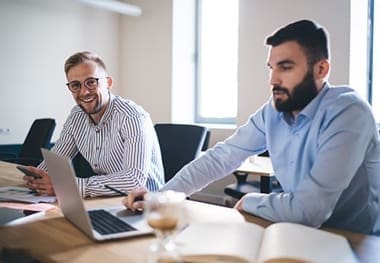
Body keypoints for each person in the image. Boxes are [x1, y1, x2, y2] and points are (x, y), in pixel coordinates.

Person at [123, 19, 380, 235]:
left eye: (286, 67)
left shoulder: (348, 112)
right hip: (298, 232)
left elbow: (309, 209)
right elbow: (223, 156)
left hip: (356, 240)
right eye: (272, 68)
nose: (273, 79)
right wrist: (162, 197)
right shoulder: (274, 111)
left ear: (321, 69)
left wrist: (251, 201)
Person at [23, 51, 164, 197]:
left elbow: (134, 181)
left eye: (91, 82)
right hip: (109, 200)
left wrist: (70, 186)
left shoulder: (131, 116)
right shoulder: (76, 116)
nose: (84, 92)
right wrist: (37, 178)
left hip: (146, 206)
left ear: (108, 83)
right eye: (75, 85)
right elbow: (55, 162)